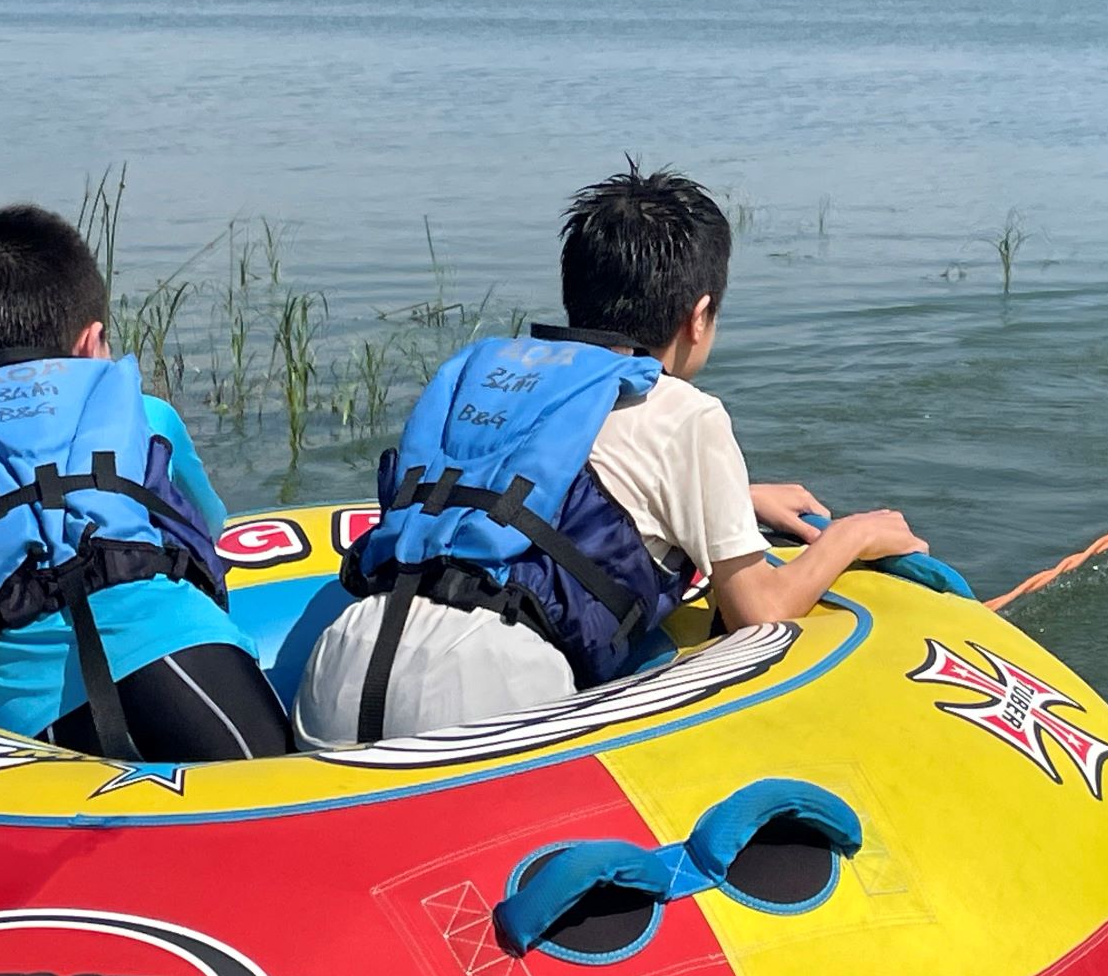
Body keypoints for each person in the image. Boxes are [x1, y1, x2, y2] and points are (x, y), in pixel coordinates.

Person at [294, 165, 928, 747]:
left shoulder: (500, 383)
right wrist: (849, 536)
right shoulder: (688, 411)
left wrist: (743, 499)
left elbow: (524, 495)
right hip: (482, 691)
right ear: (698, 316)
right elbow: (756, 611)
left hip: (339, 666)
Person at [0, 205, 289, 762]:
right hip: (188, 657)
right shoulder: (148, 414)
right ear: (91, 343)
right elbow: (208, 527)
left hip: (35, 713)